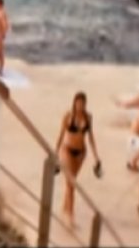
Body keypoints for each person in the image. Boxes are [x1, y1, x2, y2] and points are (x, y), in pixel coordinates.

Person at [53, 92, 101, 227]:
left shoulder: (88, 117)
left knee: (71, 182)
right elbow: (61, 135)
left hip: (81, 153)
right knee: (71, 183)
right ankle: (71, 216)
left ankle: (65, 208)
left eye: (82, 103)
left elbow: (90, 137)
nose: (80, 105)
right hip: (67, 150)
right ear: (74, 103)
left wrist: (96, 157)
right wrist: (55, 154)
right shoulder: (68, 116)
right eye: (78, 103)